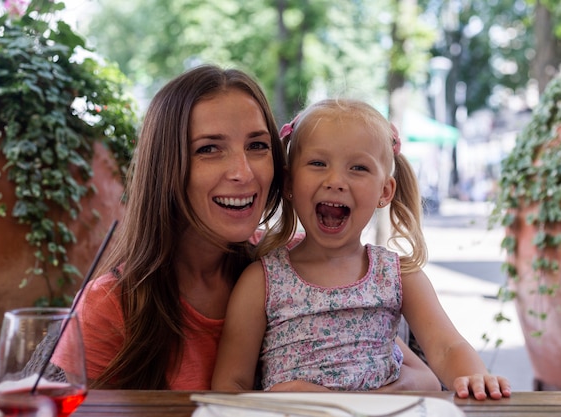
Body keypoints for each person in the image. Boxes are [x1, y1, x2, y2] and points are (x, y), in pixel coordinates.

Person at [53, 65, 437, 390]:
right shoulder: (110, 306)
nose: (243, 172)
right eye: (209, 149)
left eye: (257, 146)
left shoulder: (304, 264)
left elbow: (409, 369)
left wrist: (355, 396)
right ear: (166, 167)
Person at [212, 98, 512, 400]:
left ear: (385, 191)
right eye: (318, 163)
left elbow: (447, 348)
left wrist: (474, 377)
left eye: (358, 168)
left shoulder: (398, 274)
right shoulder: (261, 281)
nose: (336, 181)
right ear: (289, 182)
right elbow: (230, 384)